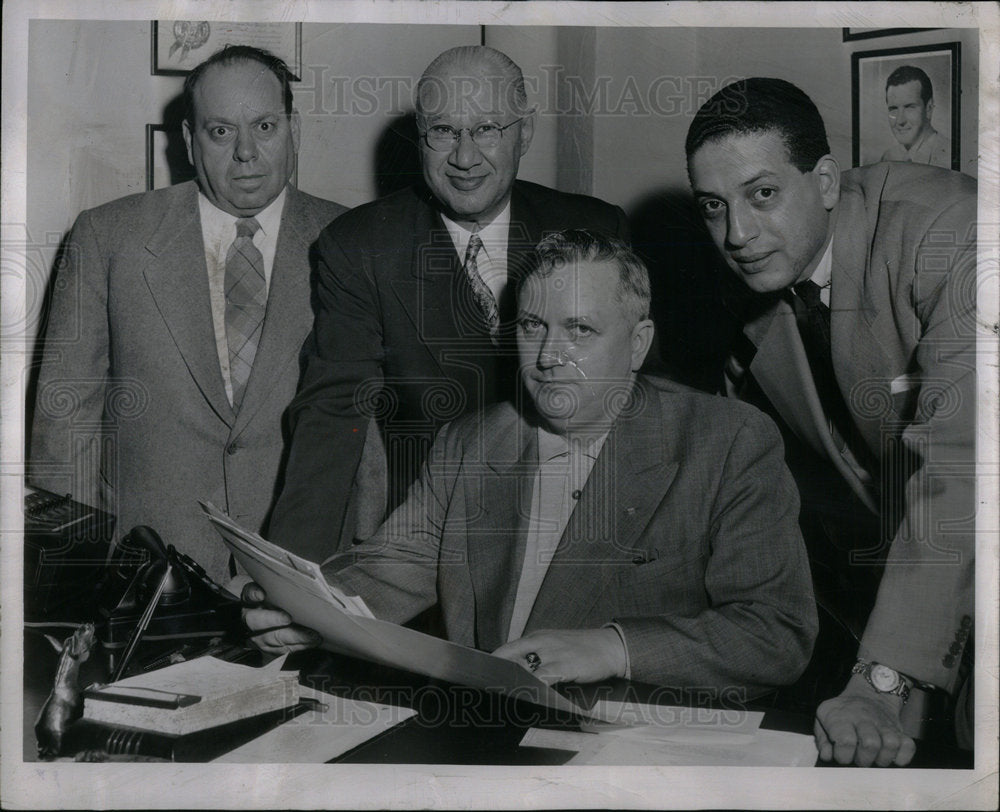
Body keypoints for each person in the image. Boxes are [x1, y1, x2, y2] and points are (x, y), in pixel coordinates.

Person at [244, 230, 817, 695]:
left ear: (639, 344)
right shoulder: (471, 442)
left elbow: (776, 634)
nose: (547, 357)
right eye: (533, 326)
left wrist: (612, 646)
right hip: (492, 733)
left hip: (643, 751)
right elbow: (390, 570)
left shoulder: (727, 442)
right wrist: (305, 610)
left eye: (580, 330)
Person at [685, 77, 975, 765]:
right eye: (712, 206)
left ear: (822, 180)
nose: (736, 234)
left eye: (762, 194)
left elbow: (963, 465)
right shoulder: (749, 294)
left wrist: (886, 677)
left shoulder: (953, 233)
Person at [266, 45, 629, 563]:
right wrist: (291, 573)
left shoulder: (594, 230)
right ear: (420, 138)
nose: (463, 157)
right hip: (433, 543)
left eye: (486, 129)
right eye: (443, 131)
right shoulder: (362, 245)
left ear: (524, 132)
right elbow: (332, 411)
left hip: (578, 538)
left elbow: (640, 400)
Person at [29, 46, 346, 582]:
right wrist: (78, 572)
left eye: (265, 126)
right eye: (221, 131)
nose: (246, 152)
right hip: (144, 571)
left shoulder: (351, 241)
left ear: (294, 129)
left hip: (307, 572)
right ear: (189, 142)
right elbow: (66, 421)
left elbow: (375, 426)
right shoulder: (108, 237)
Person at [879, 65, 952, 168]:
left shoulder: (951, 157)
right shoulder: (889, 158)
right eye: (893, 109)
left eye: (909, 107)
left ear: (929, 108)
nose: (900, 120)